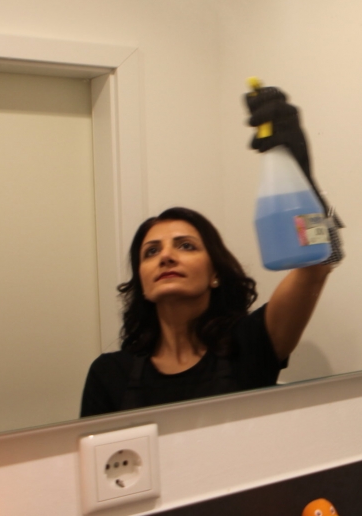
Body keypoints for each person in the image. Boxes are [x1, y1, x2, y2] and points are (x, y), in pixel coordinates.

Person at [80, 85, 340, 416]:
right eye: (151, 252)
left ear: (215, 273)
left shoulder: (251, 343)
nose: (166, 256)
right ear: (142, 283)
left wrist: (302, 177)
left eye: (186, 246)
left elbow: (318, 265)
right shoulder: (108, 374)